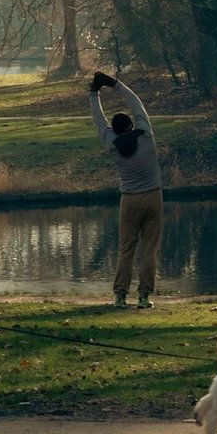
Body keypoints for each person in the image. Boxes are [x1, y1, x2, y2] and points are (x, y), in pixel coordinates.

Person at [89, 70, 163, 309]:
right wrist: (115, 84)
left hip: (129, 199)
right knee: (149, 249)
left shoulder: (112, 143)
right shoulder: (146, 135)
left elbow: (98, 120)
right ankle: (144, 297)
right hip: (153, 196)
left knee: (126, 250)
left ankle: (120, 296)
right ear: (131, 125)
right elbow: (137, 104)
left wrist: (94, 93)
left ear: (115, 129)